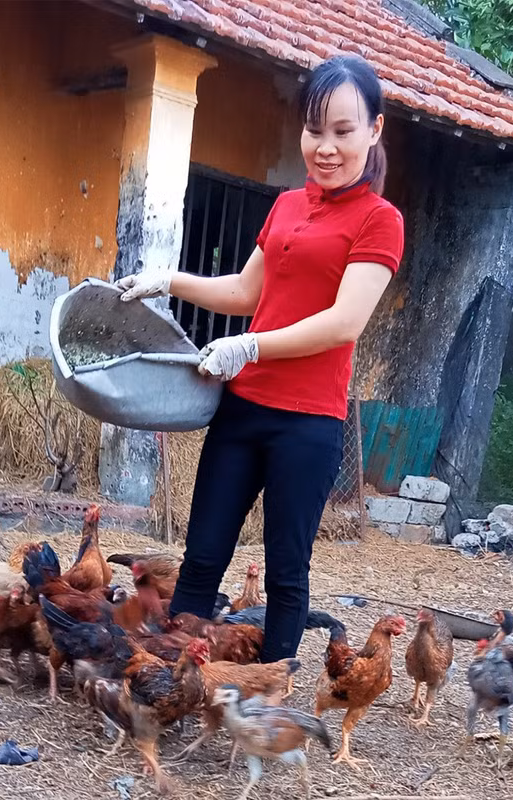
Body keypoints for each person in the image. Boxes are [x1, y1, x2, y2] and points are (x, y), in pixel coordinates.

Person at [115, 55, 404, 663]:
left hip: (307, 424)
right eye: (314, 129)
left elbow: (343, 322)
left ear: (374, 130)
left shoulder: (381, 221)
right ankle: (175, 682)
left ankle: (267, 697)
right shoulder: (288, 207)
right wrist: (167, 280)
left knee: (284, 573)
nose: (325, 147)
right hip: (243, 409)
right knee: (203, 553)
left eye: (342, 131)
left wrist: (249, 345)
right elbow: (247, 293)